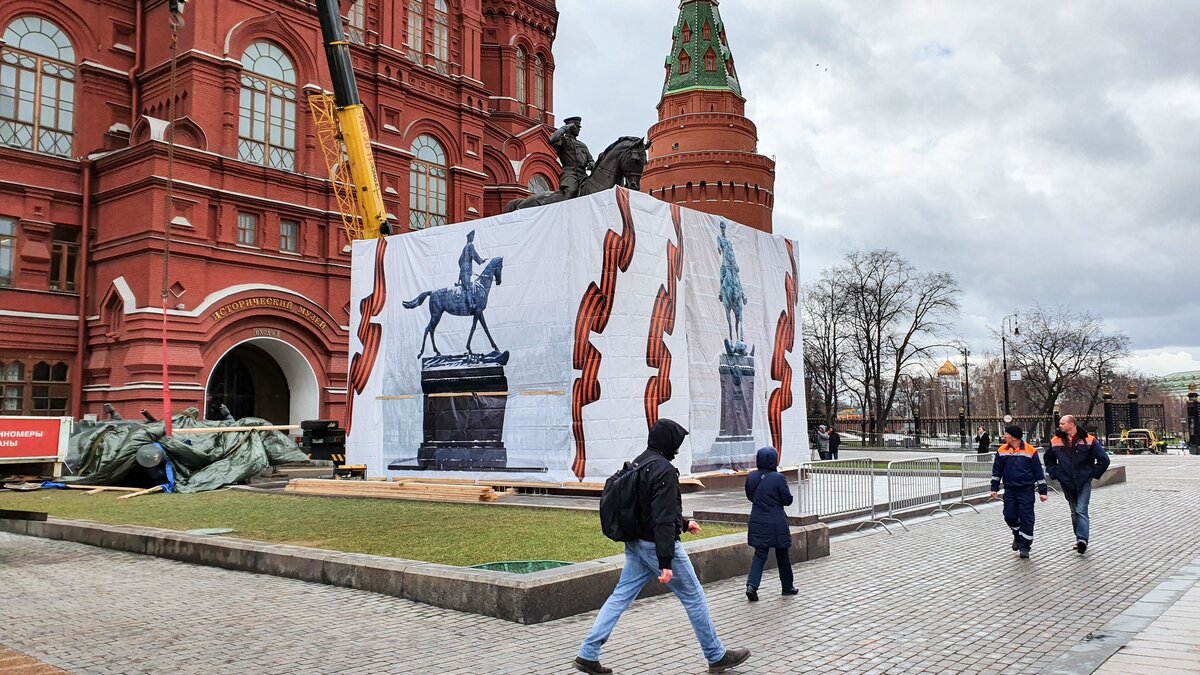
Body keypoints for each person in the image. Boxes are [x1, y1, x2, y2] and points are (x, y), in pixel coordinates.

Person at [574, 419, 751, 675]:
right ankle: (716, 655)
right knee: (694, 597)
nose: (678, 448)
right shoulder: (664, 470)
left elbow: (649, 509)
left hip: (635, 543)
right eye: (677, 443)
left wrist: (685, 522)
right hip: (656, 546)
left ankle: (588, 653)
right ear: (668, 442)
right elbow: (662, 517)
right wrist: (666, 562)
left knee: (621, 595)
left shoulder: (639, 462)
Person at [1044, 414, 1110, 554]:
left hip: (1083, 480)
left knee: (1081, 509)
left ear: (1071, 424)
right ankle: (1079, 538)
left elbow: (1104, 460)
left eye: (1062, 423)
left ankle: (1082, 540)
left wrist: (1092, 474)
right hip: (1067, 481)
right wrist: (1055, 473)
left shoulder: (1089, 440)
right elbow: (1049, 459)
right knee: (1074, 511)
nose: (1060, 426)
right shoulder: (1056, 440)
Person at [744, 446, 798, 601]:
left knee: (760, 554)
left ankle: (752, 586)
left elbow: (750, 496)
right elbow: (787, 500)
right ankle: (787, 587)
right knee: (782, 553)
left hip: (757, 518)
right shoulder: (778, 477)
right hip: (776, 520)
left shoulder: (751, 476)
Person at [989, 425, 1048, 558]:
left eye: (1006, 434)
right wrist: (994, 488)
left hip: (1026, 490)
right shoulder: (1002, 451)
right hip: (1010, 490)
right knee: (1009, 515)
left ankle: (1025, 546)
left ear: (1014, 437)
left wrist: (1043, 491)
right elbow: (997, 471)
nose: (1004, 436)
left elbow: (1038, 472)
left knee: (1027, 518)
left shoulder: (1030, 450)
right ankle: (1017, 533)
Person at [550, 116, 594, 199]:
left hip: (583, 176)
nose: (579, 129)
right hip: (570, 174)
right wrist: (566, 127)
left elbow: (590, 159)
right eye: (577, 127)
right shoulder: (563, 141)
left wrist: (591, 163)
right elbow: (552, 139)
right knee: (570, 192)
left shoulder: (582, 145)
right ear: (571, 127)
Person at [457, 230, 485, 312]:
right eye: (472, 236)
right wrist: (481, 261)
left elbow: (459, 261)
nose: (473, 237)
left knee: (466, 287)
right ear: (469, 237)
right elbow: (474, 255)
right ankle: (470, 305)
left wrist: (462, 268)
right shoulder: (470, 245)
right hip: (466, 271)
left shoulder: (464, 247)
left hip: (464, 271)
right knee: (468, 288)